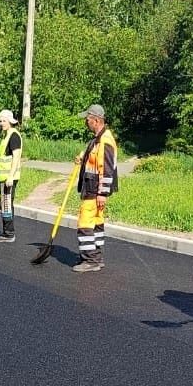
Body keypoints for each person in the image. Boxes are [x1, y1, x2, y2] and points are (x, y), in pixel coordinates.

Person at [72, 104, 118, 272]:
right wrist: (82, 158)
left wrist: (102, 193)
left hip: (94, 189)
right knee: (97, 223)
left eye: (88, 119)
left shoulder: (105, 140)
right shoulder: (97, 139)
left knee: (85, 222)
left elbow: (106, 169)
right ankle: (96, 257)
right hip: (94, 188)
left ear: (96, 120)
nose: (86, 121)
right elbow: (93, 158)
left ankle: (90, 260)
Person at [0, 109, 23, 243]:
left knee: (6, 204)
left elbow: (16, 158)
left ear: (10, 121)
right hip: (3, 177)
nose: (1, 123)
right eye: (0, 121)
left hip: (9, 178)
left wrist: (10, 177)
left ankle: (9, 234)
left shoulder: (14, 136)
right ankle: (7, 232)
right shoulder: (7, 135)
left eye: (4, 120)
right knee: (4, 204)